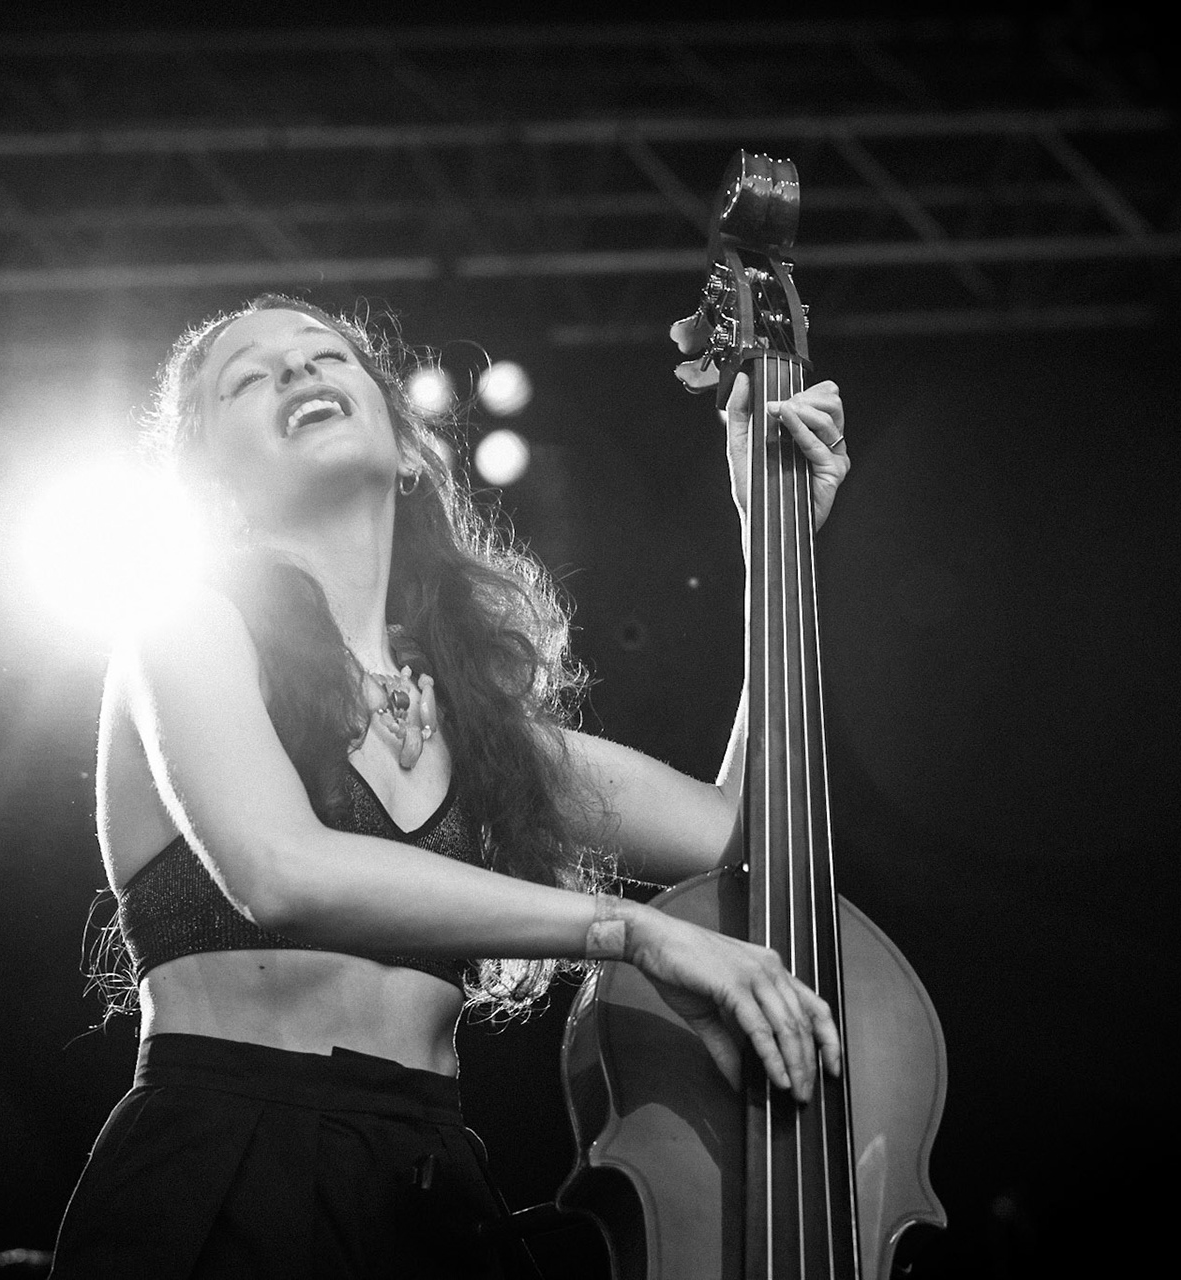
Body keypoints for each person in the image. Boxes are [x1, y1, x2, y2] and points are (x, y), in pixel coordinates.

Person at [49, 294, 850, 1278]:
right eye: (246, 378)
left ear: (408, 448)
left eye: (326, 355)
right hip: (227, 1166)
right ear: (213, 491)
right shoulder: (186, 627)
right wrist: (629, 926)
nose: (298, 372)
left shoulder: (480, 735)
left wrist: (777, 539)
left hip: (432, 1187)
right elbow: (279, 869)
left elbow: (744, 836)